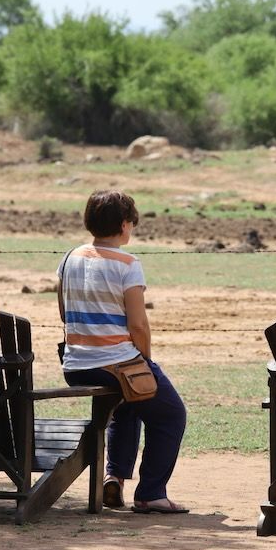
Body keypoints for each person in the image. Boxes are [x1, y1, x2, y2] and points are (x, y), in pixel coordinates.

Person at [58, 190, 188, 514]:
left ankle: (113, 477)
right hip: (115, 363)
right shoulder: (128, 264)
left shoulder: (69, 257)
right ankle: (151, 493)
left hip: (74, 364)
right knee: (171, 414)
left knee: (129, 403)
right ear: (125, 225)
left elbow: (64, 314)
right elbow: (138, 325)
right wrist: (144, 359)